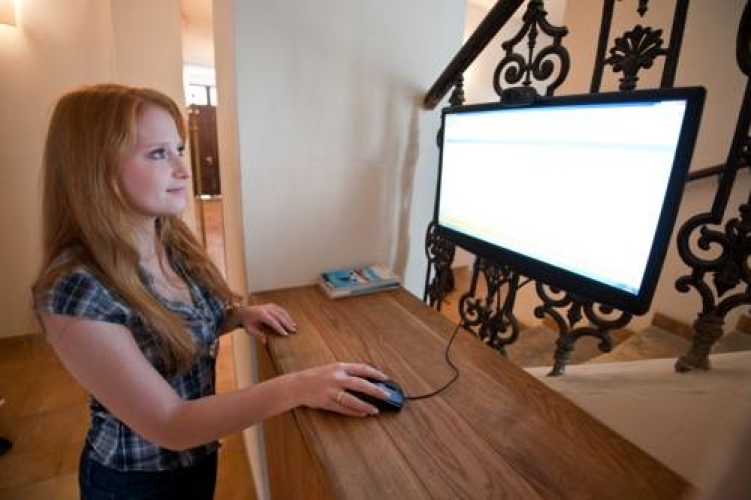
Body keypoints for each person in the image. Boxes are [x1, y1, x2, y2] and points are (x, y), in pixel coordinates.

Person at [32, 83, 391, 499]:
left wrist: (235, 316)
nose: (183, 170)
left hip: (196, 460)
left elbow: (162, 334)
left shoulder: (169, 240)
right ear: (95, 169)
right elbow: (171, 423)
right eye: (157, 154)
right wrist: (300, 386)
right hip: (136, 484)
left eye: (178, 150)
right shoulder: (74, 292)